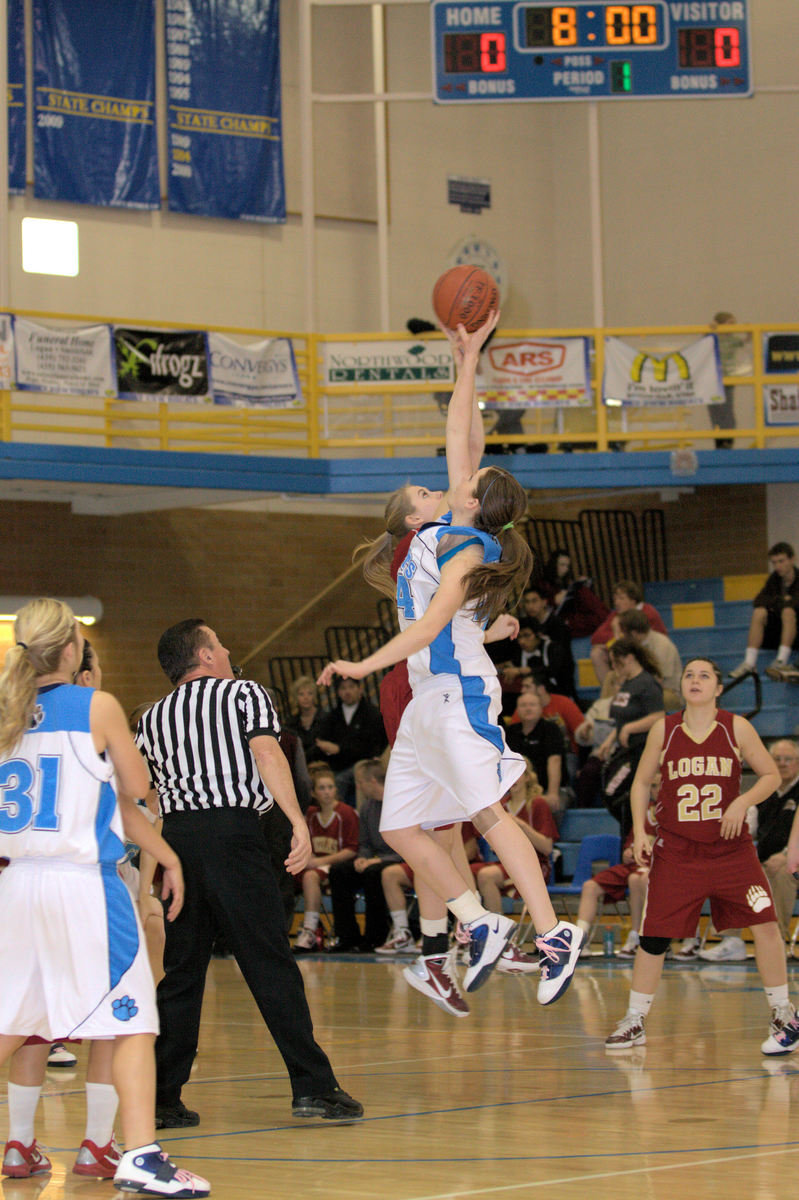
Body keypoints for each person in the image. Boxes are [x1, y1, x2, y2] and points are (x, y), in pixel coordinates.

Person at [319, 313, 584, 1007]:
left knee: (489, 814)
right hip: (427, 698)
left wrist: (359, 665)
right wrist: (467, 358)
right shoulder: (446, 527)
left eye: (468, 477)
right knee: (400, 826)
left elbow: (431, 625)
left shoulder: (465, 547)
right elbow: (462, 432)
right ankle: (477, 923)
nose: (459, 471)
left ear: (473, 498)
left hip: (455, 692)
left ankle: (555, 934)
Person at [0, 599, 209, 1195]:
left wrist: (164, 854)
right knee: (135, 1019)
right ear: (72, 650)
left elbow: (100, 800)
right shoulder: (98, 705)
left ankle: (105, 1146)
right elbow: (136, 788)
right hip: (80, 884)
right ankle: (140, 1154)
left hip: (16, 883)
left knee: (12, 1020)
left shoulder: (7, 712)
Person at [135, 618, 362, 1127]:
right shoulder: (243, 694)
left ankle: (162, 1097)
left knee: (182, 972)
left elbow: (149, 797)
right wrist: (295, 821)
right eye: (218, 641)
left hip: (180, 842)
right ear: (205, 655)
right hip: (234, 835)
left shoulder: (151, 718)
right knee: (269, 961)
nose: (227, 645)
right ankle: (314, 1088)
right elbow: (265, 752)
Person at [605, 658, 799, 1057]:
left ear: (718, 688)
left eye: (704, 676)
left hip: (732, 852)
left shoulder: (735, 727)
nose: (695, 681)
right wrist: (642, 830)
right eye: (689, 675)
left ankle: (783, 1011)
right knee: (654, 937)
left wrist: (740, 803)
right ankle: (635, 1019)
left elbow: (770, 776)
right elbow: (641, 782)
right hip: (677, 852)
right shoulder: (666, 728)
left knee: (764, 923)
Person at [700, 737, 799, 959]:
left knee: (783, 873)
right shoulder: (764, 791)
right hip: (763, 860)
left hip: (792, 862)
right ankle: (732, 941)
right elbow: (748, 828)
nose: (782, 763)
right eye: (777, 759)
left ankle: (778, 942)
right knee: (731, 872)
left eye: (788, 759)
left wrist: (786, 856)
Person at [576, 783, 658, 959]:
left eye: (660, 785)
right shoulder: (643, 810)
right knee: (590, 886)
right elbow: (631, 842)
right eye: (652, 786)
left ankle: (644, 936)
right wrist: (628, 852)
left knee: (639, 879)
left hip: (656, 867)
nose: (656, 790)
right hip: (634, 865)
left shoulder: (672, 811)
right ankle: (580, 940)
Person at [327, 758, 399, 951]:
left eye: (360, 782)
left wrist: (376, 860)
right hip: (375, 859)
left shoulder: (399, 803)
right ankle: (347, 936)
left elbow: (406, 848)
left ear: (372, 782)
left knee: (373, 873)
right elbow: (365, 842)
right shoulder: (368, 807)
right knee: (339, 871)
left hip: (397, 859)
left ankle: (374, 937)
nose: (358, 787)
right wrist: (362, 857)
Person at [294, 766, 358, 952]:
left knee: (310, 876)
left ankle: (309, 930)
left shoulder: (346, 813)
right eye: (322, 788)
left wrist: (319, 862)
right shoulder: (311, 815)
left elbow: (352, 849)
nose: (327, 792)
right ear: (314, 792)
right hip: (314, 865)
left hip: (338, 867)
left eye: (330, 787)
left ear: (336, 789)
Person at [728, 542, 799, 682]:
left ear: (792, 559)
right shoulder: (774, 580)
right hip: (775, 633)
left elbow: (795, 604)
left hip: (795, 634)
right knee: (759, 612)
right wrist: (783, 600)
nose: (778, 566)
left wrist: (778, 603)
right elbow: (758, 601)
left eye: (781, 561)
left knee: (788, 612)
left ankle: (781, 661)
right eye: (774, 562)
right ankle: (749, 663)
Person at [315, 677, 387, 804]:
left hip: (365, 762)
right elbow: (323, 740)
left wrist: (339, 749)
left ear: (359, 689)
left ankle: (342, 814)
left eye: (351, 687)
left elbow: (370, 745)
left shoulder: (372, 713)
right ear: (337, 692)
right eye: (343, 688)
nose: (347, 691)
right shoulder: (333, 716)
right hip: (338, 764)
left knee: (339, 780)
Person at [590, 580, 667, 685]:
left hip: (649, 653)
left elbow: (639, 641)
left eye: (621, 598)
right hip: (630, 652)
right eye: (615, 599)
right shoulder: (616, 615)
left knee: (623, 655)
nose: (617, 602)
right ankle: (610, 692)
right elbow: (596, 638)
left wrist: (618, 634)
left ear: (633, 600)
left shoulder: (647, 612)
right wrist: (615, 635)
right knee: (596, 653)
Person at [504, 690, 566, 812]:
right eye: (523, 705)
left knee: (551, 806)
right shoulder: (509, 732)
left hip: (550, 788)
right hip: (517, 789)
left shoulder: (551, 729)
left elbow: (555, 760)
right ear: (517, 709)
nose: (528, 708)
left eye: (532, 705)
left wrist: (552, 793)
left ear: (541, 708)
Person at [618, 608, 682, 704]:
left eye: (624, 633)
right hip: (643, 687)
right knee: (611, 679)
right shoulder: (634, 645)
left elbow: (657, 681)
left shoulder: (662, 645)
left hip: (668, 691)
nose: (622, 636)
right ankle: (607, 714)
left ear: (633, 633)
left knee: (636, 700)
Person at [540, 549, 609, 638]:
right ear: (554, 564)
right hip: (562, 617)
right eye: (562, 565)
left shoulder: (564, 581)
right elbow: (553, 602)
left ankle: (604, 615)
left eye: (567, 566)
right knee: (585, 596)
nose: (565, 569)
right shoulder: (544, 584)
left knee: (584, 592)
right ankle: (605, 616)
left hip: (574, 611)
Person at [709, 311, 747, 448]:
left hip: (728, 378)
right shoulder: (714, 337)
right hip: (714, 380)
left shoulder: (732, 339)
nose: (733, 327)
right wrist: (712, 328)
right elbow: (703, 341)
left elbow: (745, 341)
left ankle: (729, 440)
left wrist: (749, 331)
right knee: (716, 411)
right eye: (730, 323)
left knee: (728, 410)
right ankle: (719, 440)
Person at [286, 675, 326, 765]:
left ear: (314, 696)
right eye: (301, 694)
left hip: (324, 763)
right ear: (296, 697)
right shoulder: (291, 722)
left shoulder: (326, 718)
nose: (306, 697)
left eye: (310, 693)